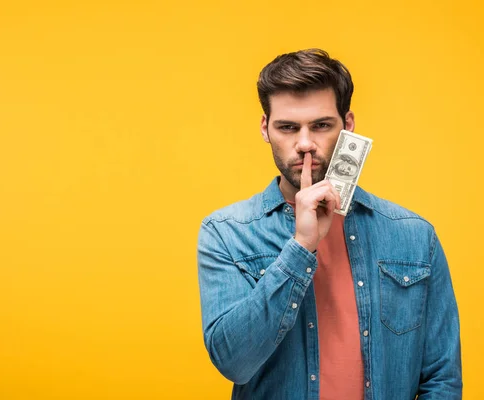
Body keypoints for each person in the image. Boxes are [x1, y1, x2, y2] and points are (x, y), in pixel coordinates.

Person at [196, 49, 461, 400]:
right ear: (265, 128)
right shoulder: (227, 233)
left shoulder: (414, 236)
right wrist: (300, 247)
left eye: (321, 125)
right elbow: (233, 363)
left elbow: (441, 379)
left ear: (347, 126)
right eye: (287, 127)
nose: (305, 144)